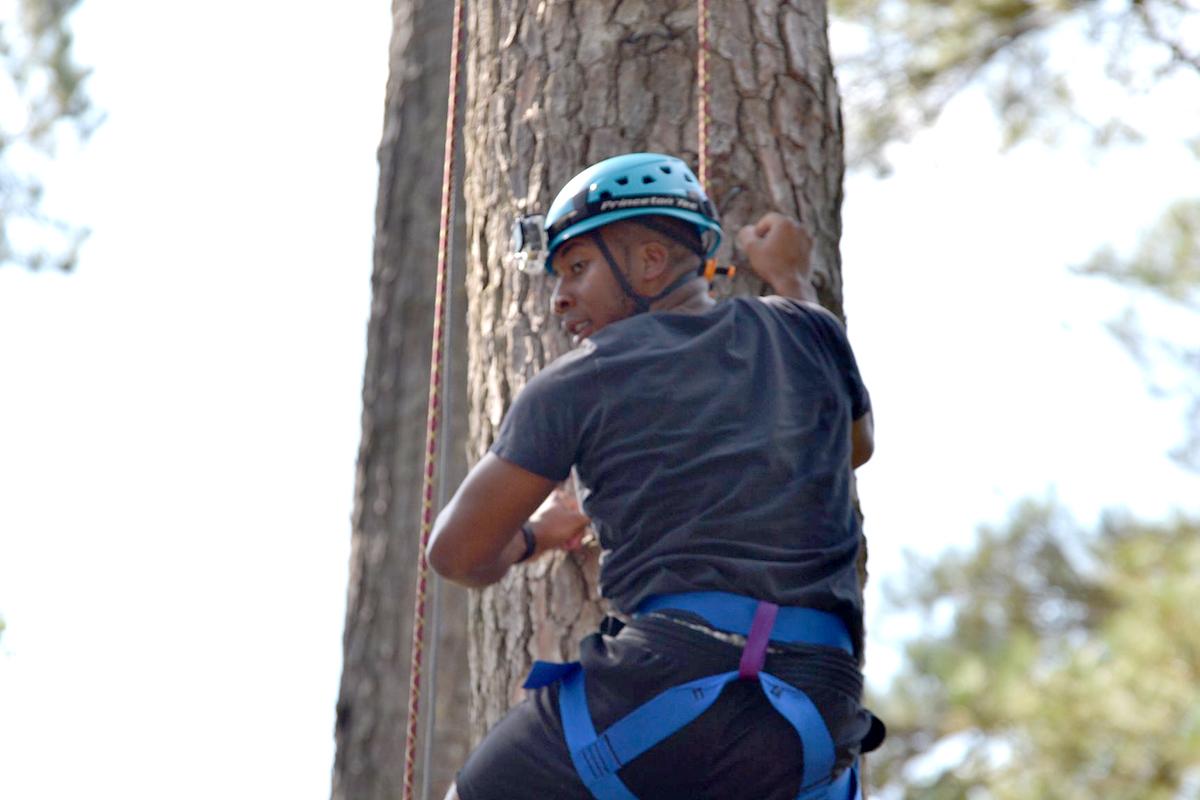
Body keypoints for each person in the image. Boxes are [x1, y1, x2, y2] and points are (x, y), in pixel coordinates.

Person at [428, 153, 883, 800]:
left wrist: (534, 537)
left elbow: (457, 553)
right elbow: (855, 444)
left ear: (648, 260)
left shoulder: (579, 380)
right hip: (815, 711)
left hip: (668, 679)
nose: (558, 298)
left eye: (577, 268)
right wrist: (792, 279)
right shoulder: (804, 327)